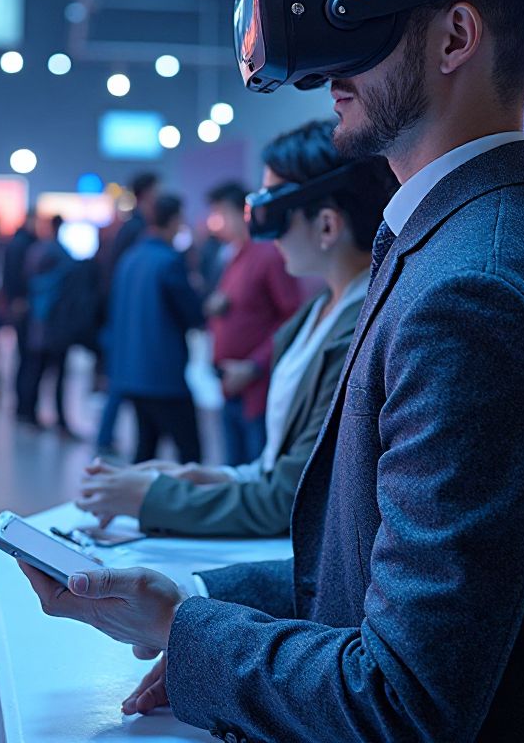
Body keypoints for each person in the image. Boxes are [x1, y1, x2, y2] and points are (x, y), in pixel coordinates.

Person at [20, 0, 524, 741]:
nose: (329, 66)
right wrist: (187, 601)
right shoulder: (471, 240)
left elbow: (403, 701)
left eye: (361, 16)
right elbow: (369, 577)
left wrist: (193, 637)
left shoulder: (476, 289)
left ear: (456, 36)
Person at [77, 122, 396, 537]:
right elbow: (277, 471)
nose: (264, 233)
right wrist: (208, 478)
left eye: (272, 214)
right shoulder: (319, 311)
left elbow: (289, 497)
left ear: (327, 226)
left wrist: (149, 498)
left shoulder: (359, 330)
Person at [203, 180, 301, 464]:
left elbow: (291, 317)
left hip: (257, 387)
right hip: (230, 386)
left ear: (241, 213)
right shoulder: (234, 255)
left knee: (256, 469)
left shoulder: (268, 255)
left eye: (221, 214)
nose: (216, 223)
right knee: (232, 469)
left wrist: (254, 365)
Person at [106, 193, 204, 464]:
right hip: (163, 374)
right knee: (190, 453)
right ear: (174, 221)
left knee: (145, 449)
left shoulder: (130, 258)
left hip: (131, 372)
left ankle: (139, 494)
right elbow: (192, 314)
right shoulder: (170, 261)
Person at [95, 172, 162, 453]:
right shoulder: (136, 228)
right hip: (127, 316)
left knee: (122, 377)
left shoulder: (130, 226)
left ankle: (107, 436)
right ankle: (109, 437)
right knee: (123, 378)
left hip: (123, 315)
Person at [15, 214, 75, 433]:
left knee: (35, 369)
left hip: (39, 320)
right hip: (54, 321)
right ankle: (55, 419)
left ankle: (28, 412)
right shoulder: (59, 253)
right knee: (52, 373)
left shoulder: (36, 250)